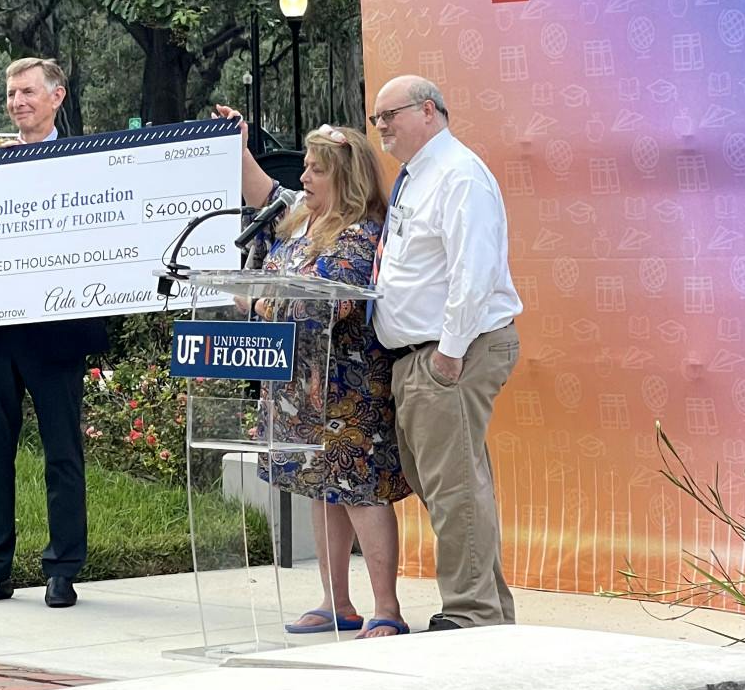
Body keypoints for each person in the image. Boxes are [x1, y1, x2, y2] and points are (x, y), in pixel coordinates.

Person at [215, 108, 412, 638]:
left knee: (360, 494)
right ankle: (335, 602)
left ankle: (387, 608)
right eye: (303, 167)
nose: (302, 178)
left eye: (315, 170)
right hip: (297, 389)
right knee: (320, 489)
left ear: (344, 177)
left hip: (346, 391)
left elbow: (329, 306)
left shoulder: (360, 236)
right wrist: (239, 147)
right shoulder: (300, 218)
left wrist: (257, 306)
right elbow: (263, 193)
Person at [0, 57, 109, 610]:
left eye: (28, 92)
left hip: (56, 336)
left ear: (56, 97)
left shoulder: (89, 165)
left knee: (62, 453)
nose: (18, 102)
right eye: (12, 93)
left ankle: (63, 569)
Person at [368, 75, 522, 631]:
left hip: (454, 350)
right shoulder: (418, 177)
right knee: (444, 479)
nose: (381, 125)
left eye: (391, 114)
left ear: (429, 111)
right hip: (420, 353)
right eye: (376, 118)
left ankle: (471, 612)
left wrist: (449, 354)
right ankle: (488, 607)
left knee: (453, 484)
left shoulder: (459, 175)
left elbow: (473, 270)